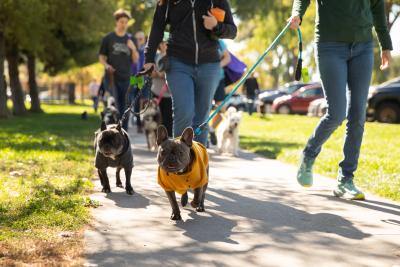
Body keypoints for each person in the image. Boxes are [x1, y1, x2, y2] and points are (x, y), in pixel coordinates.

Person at [289, 0, 392, 200]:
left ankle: (345, 179)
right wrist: (297, 13)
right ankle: (309, 155)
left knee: (358, 116)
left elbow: (378, 8)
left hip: (363, 47)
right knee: (336, 113)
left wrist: (385, 45)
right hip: (329, 46)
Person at [143, 0, 237, 146]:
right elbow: (157, 27)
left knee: (201, 119)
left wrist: (216, 26)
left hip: (209, 64)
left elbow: (232, 31)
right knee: (184, 113)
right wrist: (149, 58)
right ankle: (179, 163)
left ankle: (198, 165)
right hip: (178, 63)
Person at [99, 9, 139, 130]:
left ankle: (123, 132)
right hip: (112, 78)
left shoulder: (131, 39)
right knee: (114, 106)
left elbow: (136, 60)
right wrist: (106, 66)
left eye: (126, 22)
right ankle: (110, 130)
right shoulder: (108, 38)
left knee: (126, 108)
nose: (124, 24)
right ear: (116, 22)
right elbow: (101, 57)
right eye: (121, 22)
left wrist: (133, 48)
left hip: (127, 78)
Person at [209, 39, 231, 145]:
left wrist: (217, 65)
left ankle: (211, 129)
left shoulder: (219, 42)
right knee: (204, 108)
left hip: (219, 78)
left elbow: (227, 58)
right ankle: (202, 134)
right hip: (203, 79)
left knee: (222, 109)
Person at [151, 32, 173, 137]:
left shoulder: (172, 57)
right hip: (156, 91)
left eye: (167, 44)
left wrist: (161, 74)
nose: (165, 46)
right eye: (164, 43)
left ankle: (168, 138)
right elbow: (151, 72)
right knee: (155, 117)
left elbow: (168, 72)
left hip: (169, 93)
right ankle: (157, 137)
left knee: (167, 117)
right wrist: (156, 73)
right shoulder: (155, 57)